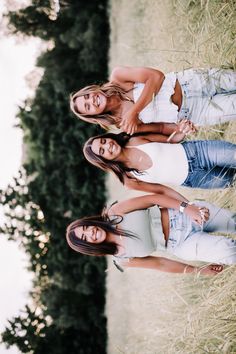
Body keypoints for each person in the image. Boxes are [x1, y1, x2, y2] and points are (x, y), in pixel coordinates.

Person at [66, 193, 236, 274]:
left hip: (184, 215)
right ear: (88, 246)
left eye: (86, 227)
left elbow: (152, 199)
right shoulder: (122, 258)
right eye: (85, 237)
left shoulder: (115, 213)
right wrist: (198, 271)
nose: (91, 232)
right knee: (229, 252)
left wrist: (188, 208)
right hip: (182, 245)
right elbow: (161, 264)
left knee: (233, 222)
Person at [70, 66, 236, 134]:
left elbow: (156, 76)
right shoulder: (122, 124)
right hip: (195, 113)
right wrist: (182, 128)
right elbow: (162, 128)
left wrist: (134, 111)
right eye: (88, 106)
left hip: (190, 82)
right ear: (93, 115)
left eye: (87, 96)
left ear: (91, 90)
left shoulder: (118, 77)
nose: (92, 101)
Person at [83, 131, 236, 189]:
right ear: (103, 161)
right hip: (195, 179)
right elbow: (162, 191)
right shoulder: (128, 179)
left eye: (103, 141)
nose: (108, 145)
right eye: (102, 151)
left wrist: (182, 132)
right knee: (233, 181)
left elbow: (169, 140)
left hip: (197, 152)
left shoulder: (134, 138)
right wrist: (185, 207)